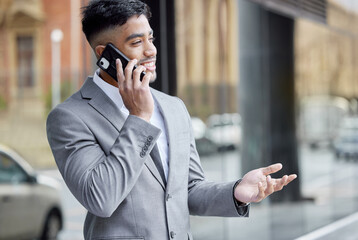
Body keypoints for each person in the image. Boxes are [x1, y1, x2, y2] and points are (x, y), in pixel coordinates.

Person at [46, 0, 297, 239]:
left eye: (150, 38)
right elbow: (101, 198)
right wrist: (139, 117)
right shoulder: (70, 118)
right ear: (105, 55)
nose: (151, 50)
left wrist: (236, 192)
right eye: (137, 42)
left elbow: (188, 190)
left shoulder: (173, 107)